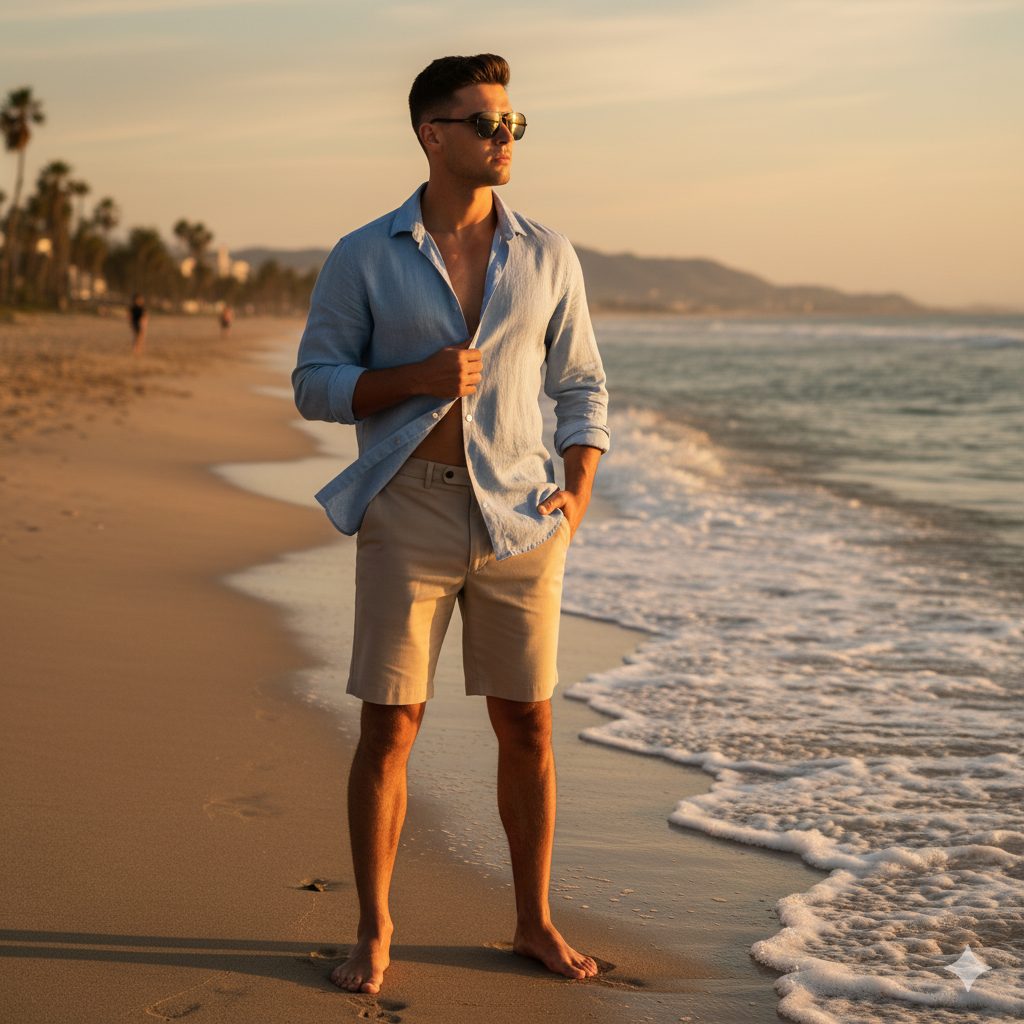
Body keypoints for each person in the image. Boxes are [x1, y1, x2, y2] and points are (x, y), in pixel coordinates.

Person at [292, 53, 610, 995]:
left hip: (521, 518)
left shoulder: (548, 253)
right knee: (391, 728)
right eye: (485, 123)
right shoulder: (364, 253)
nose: (504, 137)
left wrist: (578, 490)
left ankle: (532, 922)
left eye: (513, 122)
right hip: (411, 510)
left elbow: (583, 384)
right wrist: (415, 381)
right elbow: (315, 383)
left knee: (530, 727)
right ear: (434, 136)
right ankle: (374, 929)